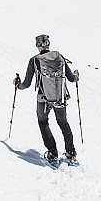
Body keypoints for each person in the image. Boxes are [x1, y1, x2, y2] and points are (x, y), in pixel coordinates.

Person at [13, 34, 80, 164]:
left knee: (43, 122)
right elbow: (72, 78)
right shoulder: (59, 57)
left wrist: (17, 85)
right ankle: (71, 153)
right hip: (60, 98)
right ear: (48, 44)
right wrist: (76, 76)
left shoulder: (34, 60)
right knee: (63, 124)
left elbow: (26, 84)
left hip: (43, 99)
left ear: (37, 46)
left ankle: (53, 153)